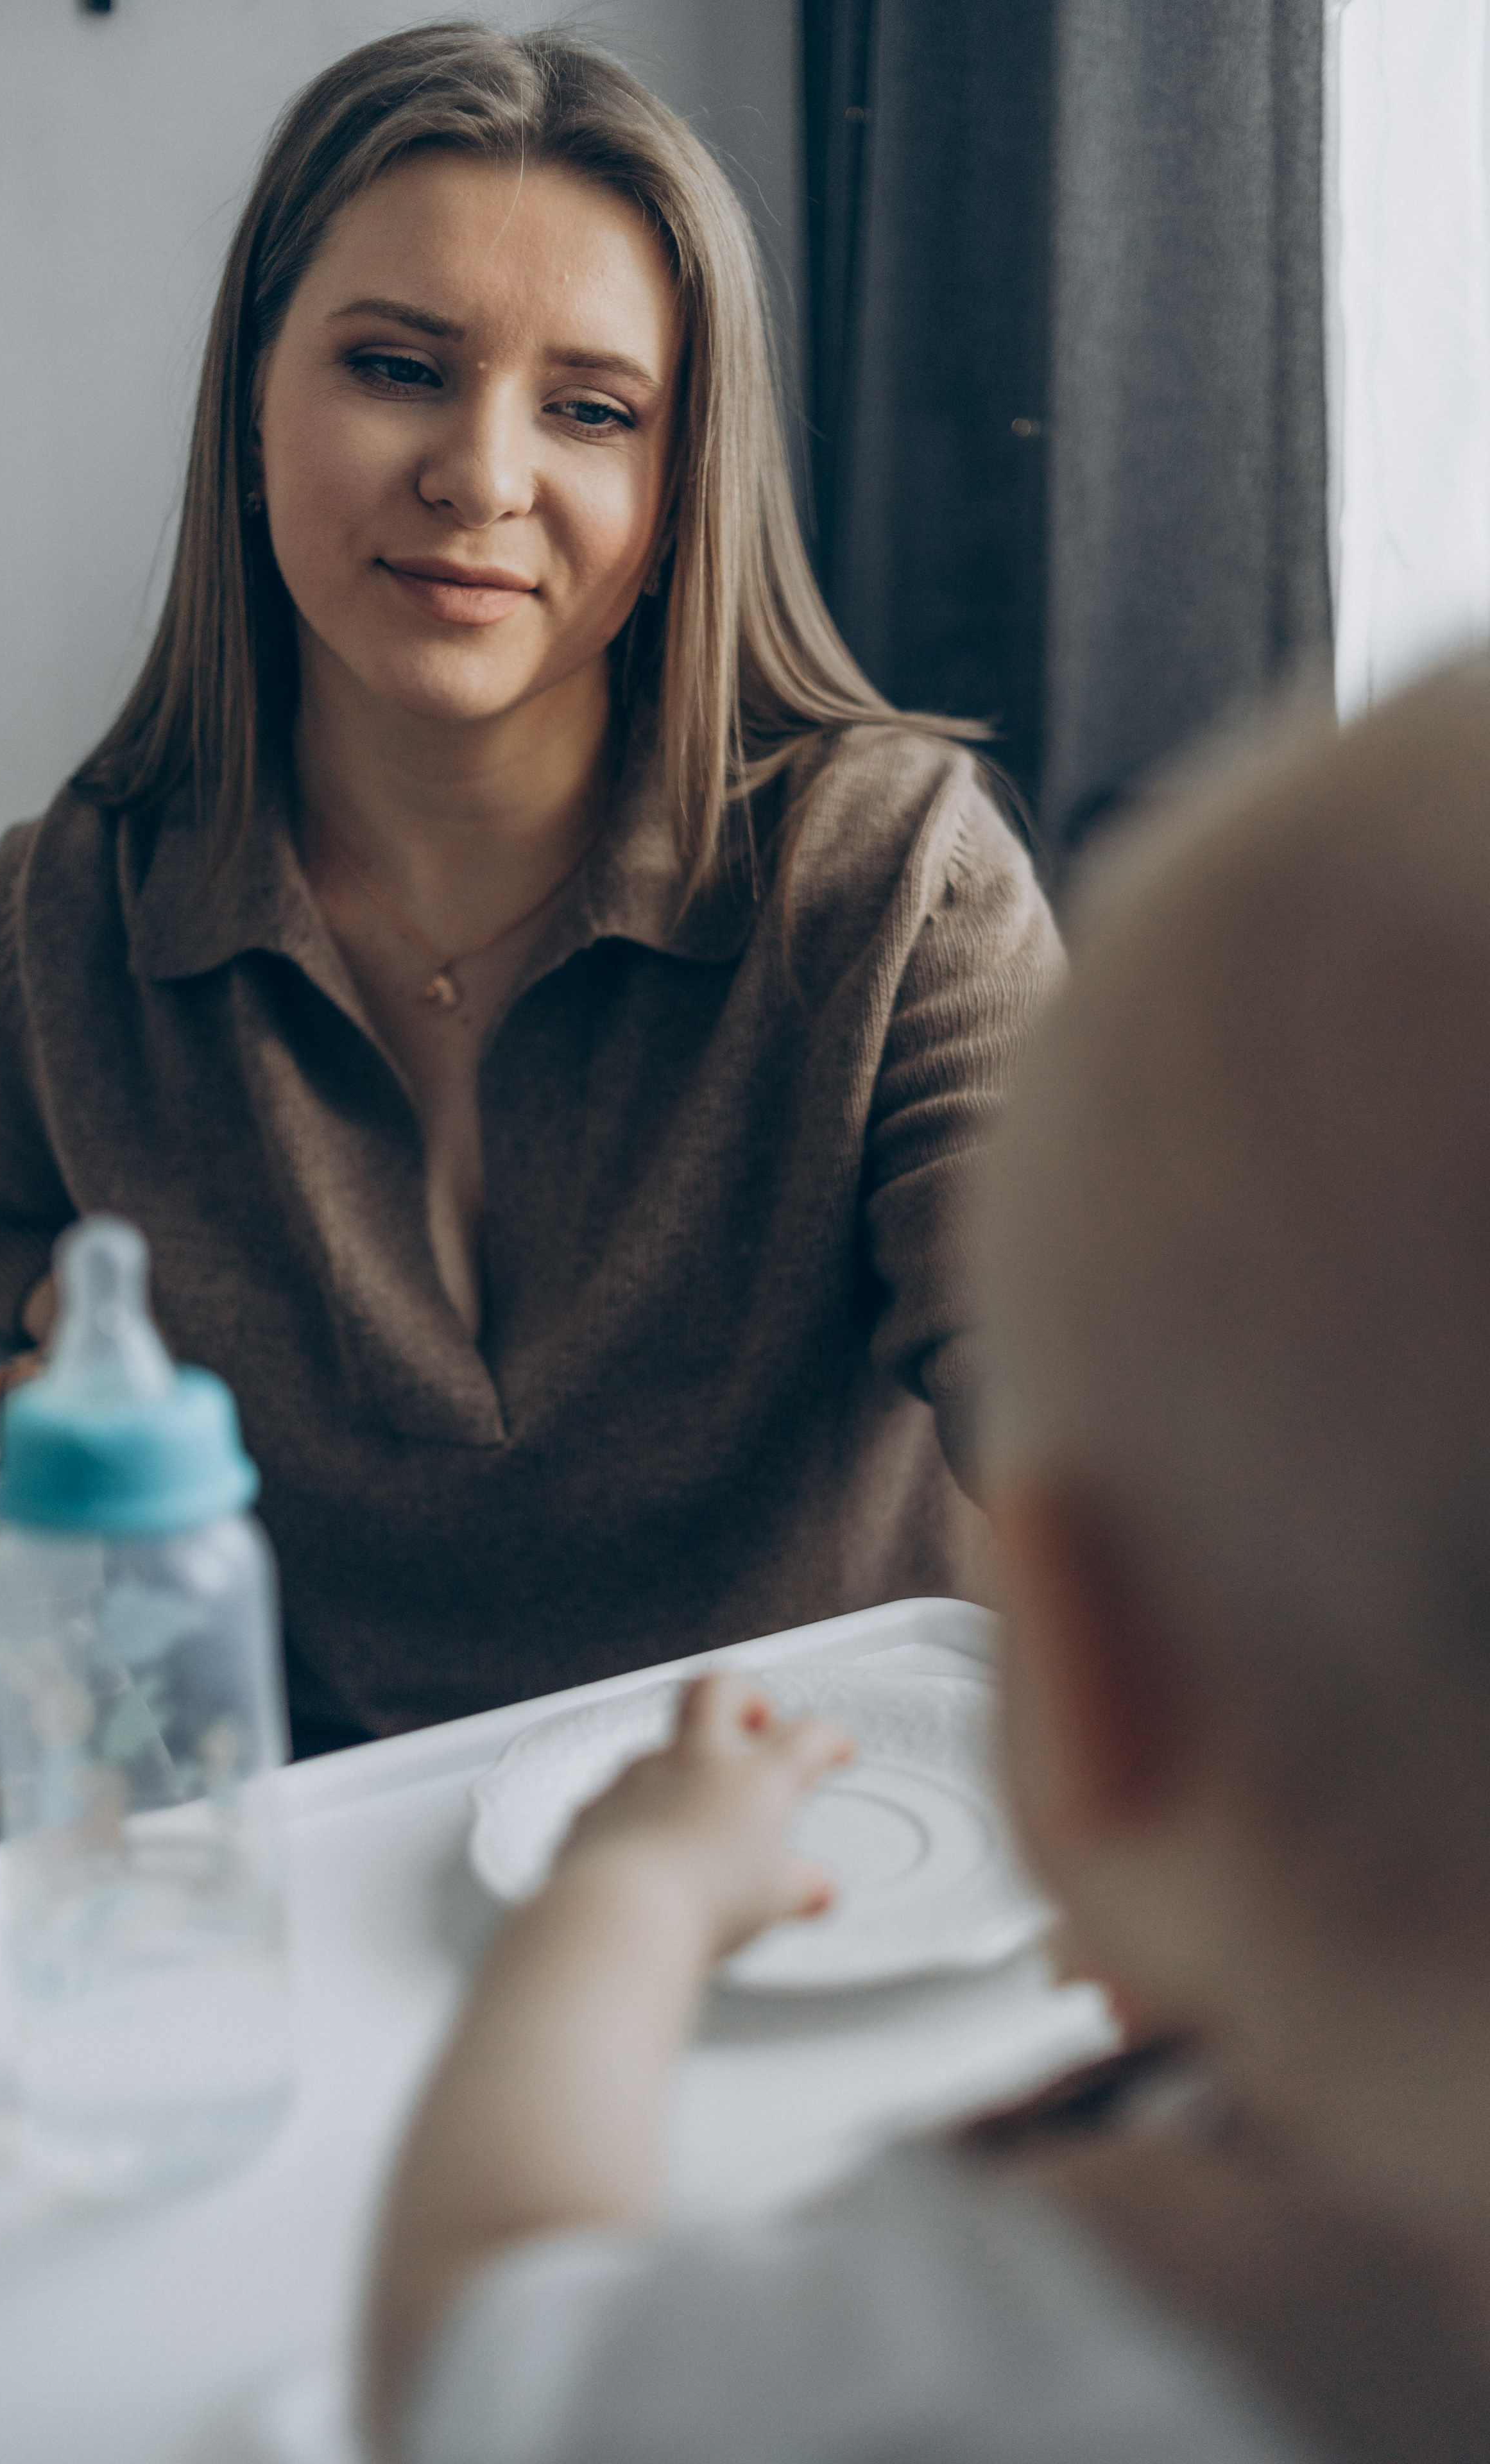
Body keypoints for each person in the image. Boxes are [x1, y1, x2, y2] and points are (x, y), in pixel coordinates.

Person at [359, 655, 1490, 2463]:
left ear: (1099, 1682)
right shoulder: (69, 910)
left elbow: (478, 2341)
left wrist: (630, 1898)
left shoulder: (934, 2367)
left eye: (592, 406)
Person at [0, 22, 1059, 1752]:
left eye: (592, 410)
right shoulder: (48, 936)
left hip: (847, 1868)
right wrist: (61, 1310)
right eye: (395, 367)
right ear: (249, 408)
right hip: (344, 1887)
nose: (483, 476)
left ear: (676, 500)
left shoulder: (902, 881)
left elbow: (1063, 1383)